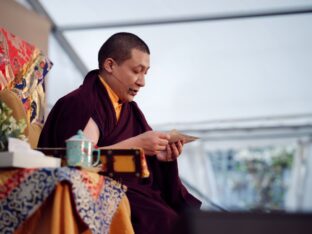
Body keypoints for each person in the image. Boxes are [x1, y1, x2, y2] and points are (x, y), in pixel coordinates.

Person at [38, 32, 201, 233]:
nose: (142, 82)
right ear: (110, 65)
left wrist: (159, 158)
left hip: (131, 192)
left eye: (145, 73)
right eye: (136, 71)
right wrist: (136, 146)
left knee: (182, 220)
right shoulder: (81, 102)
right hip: (98, 194)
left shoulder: (129, 109)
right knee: (164, 221)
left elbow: (140, 166)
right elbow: (77, 162)